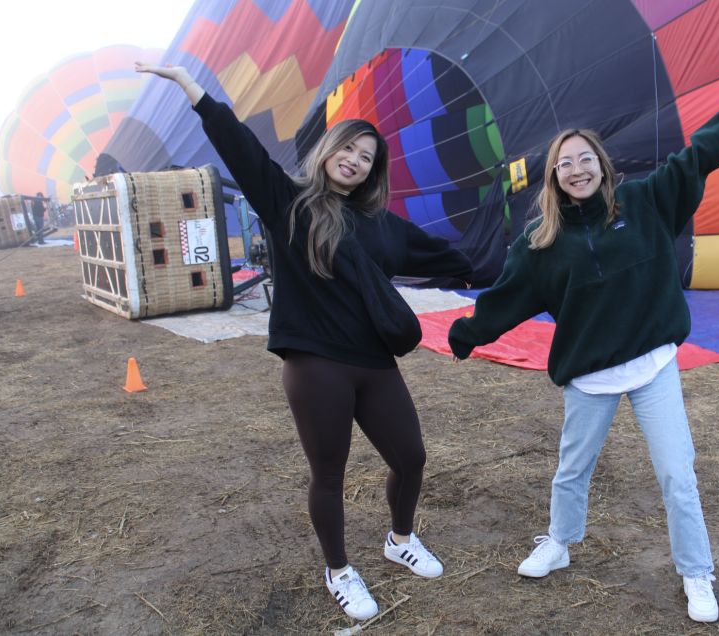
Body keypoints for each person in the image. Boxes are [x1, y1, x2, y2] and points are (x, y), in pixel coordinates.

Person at [136, 62, 473, 622]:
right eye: (349, 149)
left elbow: (446, 257)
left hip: (373, 361)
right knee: (330, 472)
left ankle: (399, 538)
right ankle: (339, 570)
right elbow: (240, 146)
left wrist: (517, 263)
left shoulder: (382, 225)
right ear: (328, 150)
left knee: (411, 457)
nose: (355, 161)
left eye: (367, 158)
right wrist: (193, 90)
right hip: (315, 362)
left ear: (372, 171)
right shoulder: (288, 202)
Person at [448, 76, 719, 623]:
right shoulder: (540, 241)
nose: (577, 170)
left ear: (602, 165)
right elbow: (504, 301)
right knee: (571, 471)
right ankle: (558, 543)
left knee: (678, 474)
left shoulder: (646, 201)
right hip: (591, 376)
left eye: (585, 159)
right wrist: (463, 336)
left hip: (652, 366)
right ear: (554, 177)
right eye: (565, 164)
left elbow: (697, 157)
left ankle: (696, 573)